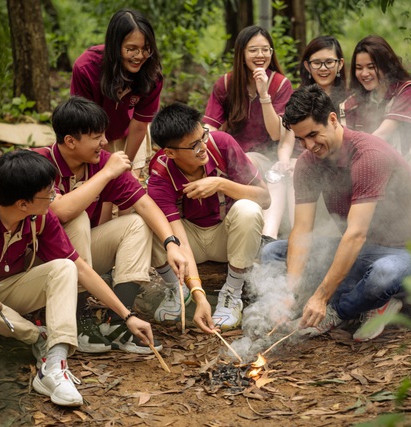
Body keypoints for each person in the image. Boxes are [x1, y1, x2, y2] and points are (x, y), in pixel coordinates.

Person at [0, 150, 155, 407]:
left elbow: (81, 269)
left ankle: (54, 364)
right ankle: (38, 337)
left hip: (13, 287)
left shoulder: (40, 218)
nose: (54, 197)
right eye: (49, 193)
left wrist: (127, 316)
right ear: (23, 203)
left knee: (65, 268)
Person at [260, 85, 411, 341]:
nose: (309, 146)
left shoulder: (368, 157)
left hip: (407, 253)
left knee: (383, 273)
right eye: (301, 139)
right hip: (361, 253)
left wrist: (321, 298)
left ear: (332, 120)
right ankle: (359, 300)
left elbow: (355, 234)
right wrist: (289, 290)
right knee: (272, 252)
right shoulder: (309, 164)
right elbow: (302, 230)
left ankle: (337, 311)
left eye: (313, 135)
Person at [33, 97, 188, 354]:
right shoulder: (41, 163)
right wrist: (106, 173)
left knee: (137, 223)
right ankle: (78, 313)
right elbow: (61, 210)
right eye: (96, 137)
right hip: (42, 261)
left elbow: (145, 204)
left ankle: (117, 322)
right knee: (77, 216)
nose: (104, 143)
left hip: (80, 258)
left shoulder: (100, 161)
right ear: (70, 141)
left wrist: (171, 244)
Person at [148, 103, 271, 331]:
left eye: (202, 136)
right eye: (193, 145)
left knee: (248, 209)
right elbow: (178, 238)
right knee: (146, 221)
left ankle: (232, 293)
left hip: (226, 237)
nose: (203, 146)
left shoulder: (221, 144)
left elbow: (264, 199)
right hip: (189, 240)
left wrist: (221, 184)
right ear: (171, 152)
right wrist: (198, 294)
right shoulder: (160, 173)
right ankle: (178, 288)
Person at [203, 25, 295, 242]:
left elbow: (276, 134)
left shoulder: (281, 84)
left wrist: (264, 94)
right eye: (253, 50)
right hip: (233, 156)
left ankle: (265, 237)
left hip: (267, 157)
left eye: (265, 49)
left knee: (250, 160)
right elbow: (210, 128)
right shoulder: (226, 84)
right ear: (241, 53)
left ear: (272, 53)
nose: (260, 55)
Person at [71, 9, 161, 175]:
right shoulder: (86, 68)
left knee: (127, 184)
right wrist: (108, 165)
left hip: (129, 134)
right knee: (98, 189)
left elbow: (139, 125)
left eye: (146, 48)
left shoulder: (151, 74)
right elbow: (87, 121)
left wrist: (125, 166)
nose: (139, 56)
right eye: (131, 49)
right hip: (91, 134)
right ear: (115, 45)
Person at [343, 35, 411, 157]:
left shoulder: (407, 91)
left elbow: (383, 134)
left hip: (402, 166)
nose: (364, 73)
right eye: (359, 68)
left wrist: (355, 154)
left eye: (371, 67)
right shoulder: (358, 100)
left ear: (386, 66)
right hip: (368, 160)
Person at [299, 36, 347, 110]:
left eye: (329, 62)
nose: (323, 68)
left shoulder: (351, 101)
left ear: (340, 64)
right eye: (316, 63)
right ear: (307, 66)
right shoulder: (296, 101)